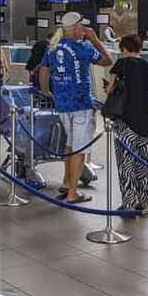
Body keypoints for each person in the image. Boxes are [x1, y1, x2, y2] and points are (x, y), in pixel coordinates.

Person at [38, 12, 113, 203]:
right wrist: (95, 39)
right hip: (81, 105)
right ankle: (73, 193)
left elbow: (43, 73)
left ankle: (66, 182)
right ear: (76, 28)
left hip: (63, 105)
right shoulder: (83, 48)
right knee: (80, 149)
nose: (84, 30)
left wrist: (47, 93)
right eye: (82, 27)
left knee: (70, 145)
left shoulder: (52, 48)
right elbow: (107, 60)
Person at [106, 34, 148, 211]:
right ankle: (145, 202)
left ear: (124, 50)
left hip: (127, 122)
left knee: (125, 165)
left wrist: (110, 86)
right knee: (142, 166)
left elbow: (109, 89)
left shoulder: (122, 64)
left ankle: (129, 203)